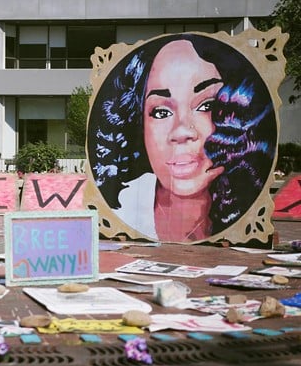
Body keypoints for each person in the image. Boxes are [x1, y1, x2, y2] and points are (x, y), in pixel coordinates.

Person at [87, 33, 276, 243]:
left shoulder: (248, 212)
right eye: (160, 112)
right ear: (139, 124)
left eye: (207, 106)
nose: (182, 131)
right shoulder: (121, 209)